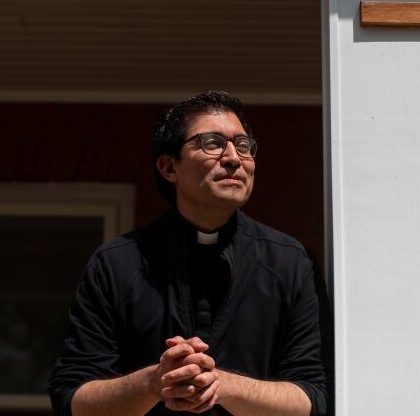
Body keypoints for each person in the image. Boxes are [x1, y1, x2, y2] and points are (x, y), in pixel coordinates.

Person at [48, 91, 331, 415]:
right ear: (169, 167)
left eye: (243, 145)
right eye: (212, 142)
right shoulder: (115, 264)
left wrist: (222, 385)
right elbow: (70, 401)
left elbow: (315, 400)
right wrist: (153, 384)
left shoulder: (291, 263)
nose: (233, 157)